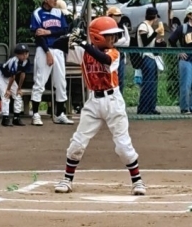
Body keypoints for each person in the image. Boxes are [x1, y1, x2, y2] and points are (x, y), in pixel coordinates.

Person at [55, 16, 145, 195]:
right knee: (77, 143)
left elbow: (104, 59)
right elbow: (57, 45)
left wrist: (83, 43)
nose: (113, 38)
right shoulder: (83, 52)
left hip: (113, 102)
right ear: (97, 36)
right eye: (108, 35)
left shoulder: (114, 53)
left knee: (123, 146)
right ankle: (67, 179)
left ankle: (137, 182)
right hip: (93, 102)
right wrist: (70, 36)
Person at [29, 0, 73, 126]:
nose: (56, 0)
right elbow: (38, 35)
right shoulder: (37, 13)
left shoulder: (58, 12)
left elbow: (64, 30)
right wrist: (47, 52)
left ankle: (60, 114)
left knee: (61, 82)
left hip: (58, 50)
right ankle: (35, 114)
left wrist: (48, 32)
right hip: (44, 50)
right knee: (40, 81)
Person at [0, 44, 31, 127]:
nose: (25, 55)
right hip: (0, 76)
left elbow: (22, 75)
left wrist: (19, 88)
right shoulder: (14, 61)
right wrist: (8, 89)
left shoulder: (26, 61)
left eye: (26, 53)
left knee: (18, 95)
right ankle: (5, 118)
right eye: (22, 54)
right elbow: (13, 77)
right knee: (6, 95)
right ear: (17, 55)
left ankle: (16, 118)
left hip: (9, 78)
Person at [136, 7, 164, 115]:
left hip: (151, 56)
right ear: (155, 16)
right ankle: (143, 108)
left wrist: (158, 41)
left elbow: (150, 42)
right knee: (148, 83)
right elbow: (145, 42)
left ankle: (151, 107)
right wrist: (155, 33)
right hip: (146, 56)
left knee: (153, 83)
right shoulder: (143, 26)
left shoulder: (150, 27)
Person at [106, 6, 130, 92]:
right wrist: (122, 40)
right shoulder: (107, 27)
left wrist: (120, 42)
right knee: (110, 79)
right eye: (116, 15)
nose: (118, 17)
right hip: (110, 56)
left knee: (121, 80)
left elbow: (127, 43)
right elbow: (110, 43)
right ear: (110, 16)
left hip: (121, 56)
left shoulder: (123, 27)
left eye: (119, 15)